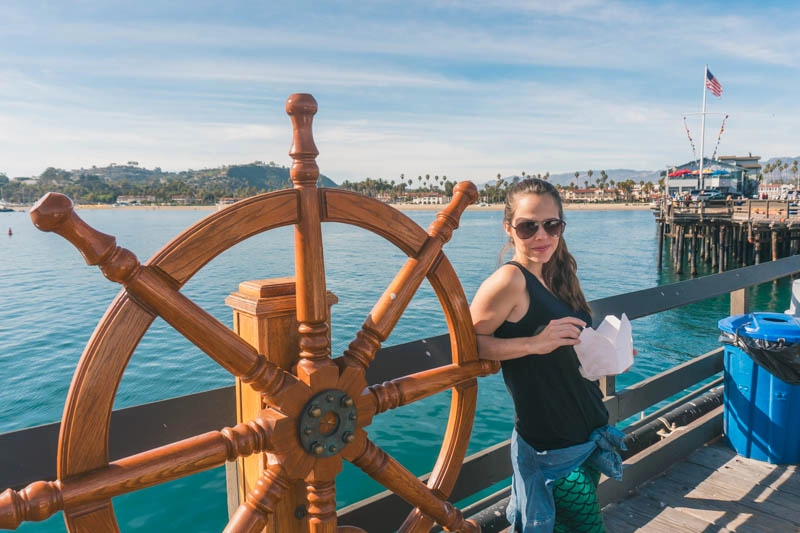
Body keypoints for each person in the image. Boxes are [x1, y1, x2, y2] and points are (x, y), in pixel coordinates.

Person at [470, 177, 626, 532]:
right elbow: (467, 345)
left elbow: (570, 349)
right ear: (509, 228)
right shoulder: (509, 281)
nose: (541, 236)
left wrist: (609, 354)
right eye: (528, 226)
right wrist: (532, 343)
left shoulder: (557, 276)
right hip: (551, 448)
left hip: (588, 434)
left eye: (551, 225)